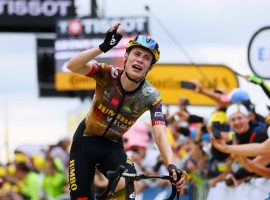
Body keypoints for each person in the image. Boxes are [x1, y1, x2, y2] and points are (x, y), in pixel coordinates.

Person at [66, 23, 187, 199]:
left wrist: (171, 165)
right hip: (84, 143)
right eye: (136, 54)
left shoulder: (151, 96)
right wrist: (103, 47)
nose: (140, 60)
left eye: (146, 58)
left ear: (150, 67)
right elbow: (72, 65)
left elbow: (160, 133)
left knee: (128, 181)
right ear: (126, 57)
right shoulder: (107, 74)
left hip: (112, 146)